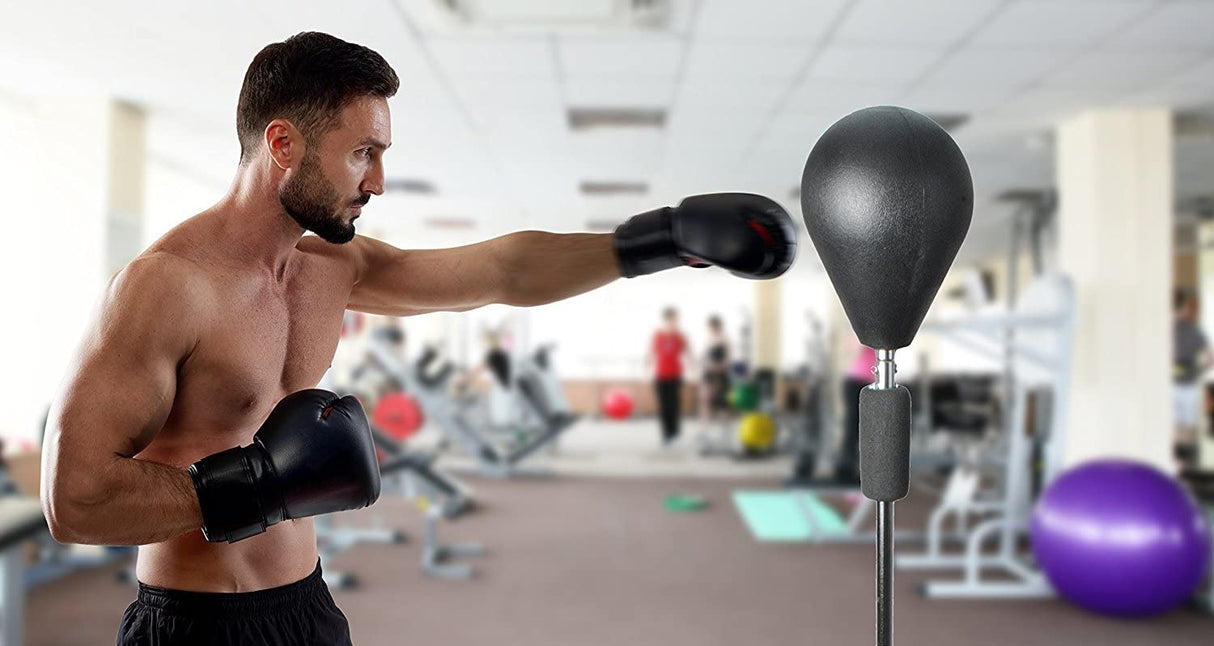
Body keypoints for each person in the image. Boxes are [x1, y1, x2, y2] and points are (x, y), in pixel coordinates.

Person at [37, 32, 796, 645]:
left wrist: (654, 244)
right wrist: (261, 484)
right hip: (197, 625)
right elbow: (72, 500)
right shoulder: (167, 286)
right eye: (363, 152)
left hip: (307, 609)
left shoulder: (332, 266)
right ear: (283, 144)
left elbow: (500, 269)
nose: (377, 183)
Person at [1174, 288, 1212, 461]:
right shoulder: (1170, 328)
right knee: (1180, 425)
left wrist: (1199, 370)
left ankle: (1185, 460)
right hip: (1175, 382)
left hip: (1187, 381)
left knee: (1186, 425)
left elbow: (1210, 355)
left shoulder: (1193, 330)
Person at [648, 307, 694, 445]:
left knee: (674, 403)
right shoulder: (658, 335)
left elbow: (689, 352)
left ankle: (674, 429)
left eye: (676, 319)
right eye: (672, 318)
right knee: (664, 405)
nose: (675, 321)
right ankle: (666, 433)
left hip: (675, 374)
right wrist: (646, 370)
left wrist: (694, 368)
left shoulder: (680, 336)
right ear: (666, 319)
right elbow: (651, 352)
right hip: (661, 374)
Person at [698, 314, 732, 432]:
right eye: (711, 328)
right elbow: (703, 357)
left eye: (714, 327)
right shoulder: (707, 340)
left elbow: (728, 358)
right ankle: (705, 419)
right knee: (705, 396)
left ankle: (725, 418)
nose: (712, 330)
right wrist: (705, 366)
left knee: (724, 396)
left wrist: (722, 366)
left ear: (719, 327)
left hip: (721, 370)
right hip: (708, 370)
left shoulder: (725, 339)